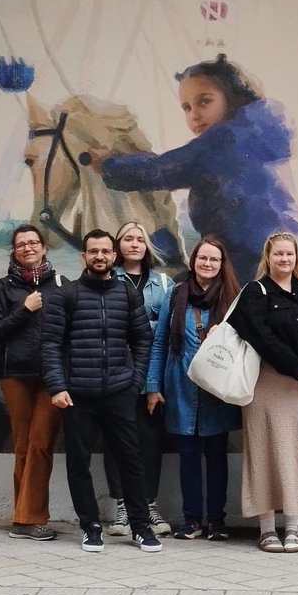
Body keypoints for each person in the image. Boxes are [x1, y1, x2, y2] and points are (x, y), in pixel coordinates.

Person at [98, 54, 298, 280]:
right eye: (186, 108)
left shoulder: (227, 140)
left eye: (204, 101)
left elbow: (161, 170)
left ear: (231, 97)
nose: (194, 115)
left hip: (256, 266)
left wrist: (106, 165)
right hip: (294, 258)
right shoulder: (259, 133)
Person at [40, 229, 161, 553]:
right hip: (77, 394)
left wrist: (135, 381)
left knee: (131, 460)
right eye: (93, 251)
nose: (99, 257)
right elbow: (50, 344)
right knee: (79, 463)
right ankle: (91, 526)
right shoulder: (67, 295)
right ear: (84, 256)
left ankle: (140, 526)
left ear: (113, 256)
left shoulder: (127, 294)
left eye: (105, 251)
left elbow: (142, 340)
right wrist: (57, 385)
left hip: (119, 391)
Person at [228, 232, 298, 553]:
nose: (284, 259)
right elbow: (262, 337)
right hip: (268, 385)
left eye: (289, 254)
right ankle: (266, 530)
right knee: (265, 454)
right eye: (278, 254)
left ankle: (293, 528)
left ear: (296, 258)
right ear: (268, 257)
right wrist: (297, 368)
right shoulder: (255, 292)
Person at [146, 237, 242, 541]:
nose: (208, 264)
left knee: (217, 455)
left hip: (217, 389)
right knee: (187, 455)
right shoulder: (175, 294)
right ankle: (191, 520)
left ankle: (216, 520)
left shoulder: (232, 297)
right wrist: (153, 386)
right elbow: (160, 341)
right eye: (203, 258)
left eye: (214, 259)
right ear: (194, 260)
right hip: (181, 386)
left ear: (222, 263)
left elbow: (246, 344)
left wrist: (226, 332)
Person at [0, 224, 66, 542]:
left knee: (41, 443)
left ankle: (26, 518)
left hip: (52, 378)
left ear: (45, 247)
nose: (28, 248)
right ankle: (27, 520)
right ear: (14, 251)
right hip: (16, 376)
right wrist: (24, 309)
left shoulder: (61, 286)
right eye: (21, 244)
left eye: (33, 243)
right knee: (23, 446)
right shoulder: (3, 288)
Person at [104, 221, 174, 537]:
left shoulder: (163, 283)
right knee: (116, 441)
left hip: (151, 377)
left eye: (139, 239)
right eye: (127, 239)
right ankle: (121, 508)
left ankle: (148, 506)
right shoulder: (106, 280)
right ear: (118, 246)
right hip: (114, 375)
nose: (134, 244)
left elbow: (166, 333)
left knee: (149, 443)